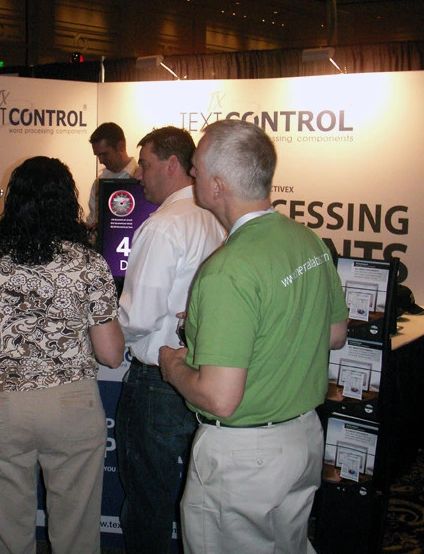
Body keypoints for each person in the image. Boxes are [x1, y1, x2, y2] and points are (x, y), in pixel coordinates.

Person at [158, 119, 349, 554]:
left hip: (244, 459)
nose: (191, 176)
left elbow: (221, 398)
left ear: (219, 186)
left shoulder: (228, 268)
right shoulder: (308, 240)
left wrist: (173, 366)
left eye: (198, 170)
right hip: (301, 441)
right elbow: (334, 334)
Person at [0, 156, 124, 554]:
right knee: (76, 533)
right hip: (71, 405)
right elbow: (111, 354)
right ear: (67, 201)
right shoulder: (87, 263)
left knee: (7, 535)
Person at [115, 126, 225, 554]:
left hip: (156, 380)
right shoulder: (214, 220)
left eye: (144, 165)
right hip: (202, 372)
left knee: (147, 502)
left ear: (172, 165)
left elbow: (137, 317)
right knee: (194, 498)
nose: (138, 176)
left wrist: (101, 337)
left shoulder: (163, 227)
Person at [87, 122, 137, 226]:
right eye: (98, 156)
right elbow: (92, 219)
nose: (101, 161)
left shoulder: (142, 179)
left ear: (121, 147)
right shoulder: (98, 183)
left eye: (104, 154)